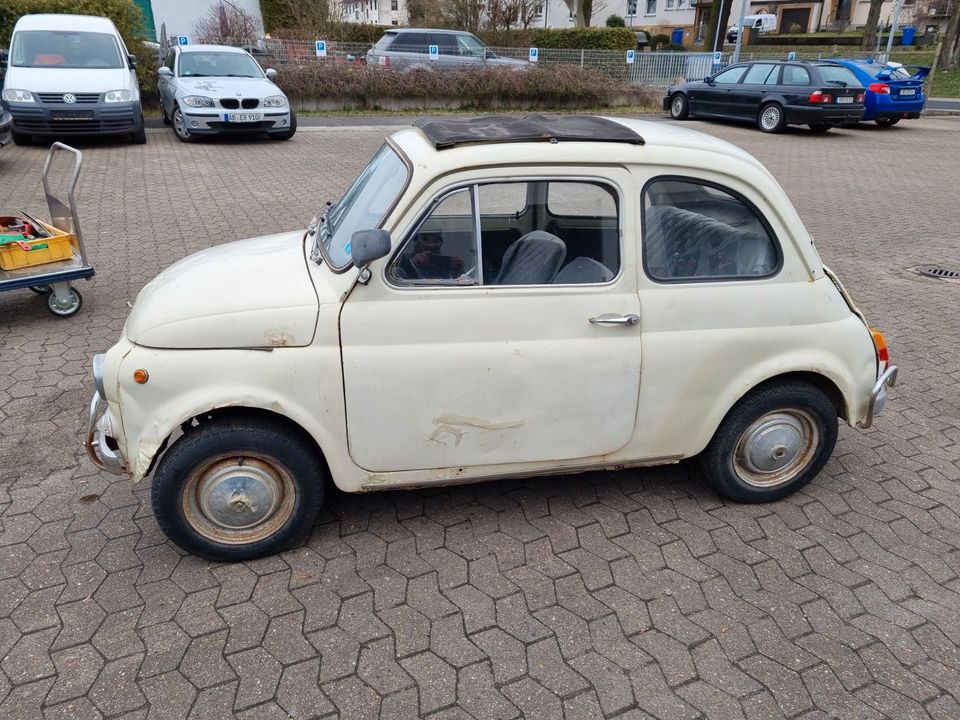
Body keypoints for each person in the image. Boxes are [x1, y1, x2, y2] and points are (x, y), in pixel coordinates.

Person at [398, 230, 464, 280]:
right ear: (417, 241)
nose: (431, 244)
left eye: (435, 241)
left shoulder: (448, 263)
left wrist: (458, 269)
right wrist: (412, 264)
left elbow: (459, 283)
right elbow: (399, 279)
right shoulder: (406, 259)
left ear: (440, 243)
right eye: (425, 239)